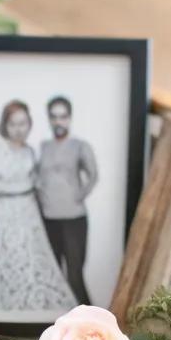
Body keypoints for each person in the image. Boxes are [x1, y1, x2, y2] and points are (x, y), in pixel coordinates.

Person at [0, 100, 74, 314]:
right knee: (12, 260)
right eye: (13, 124)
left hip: (30, 212)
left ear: (29, 124)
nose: (19, 129)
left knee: (35, 260)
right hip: (7, 213)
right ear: (5, 125)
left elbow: (37, 186)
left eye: (23, 123)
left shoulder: (30, 152)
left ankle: (36, 307)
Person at [37, 95, 98, 306]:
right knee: (53, 276)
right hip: (49, 219)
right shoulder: (44, 147)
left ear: (69, 118)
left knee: (74, 276)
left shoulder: (80, 146)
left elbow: (93, 175)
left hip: (74, 219)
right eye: (54, 117)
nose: (58, 121)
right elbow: (38, 177)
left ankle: (90, 319)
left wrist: (78, 195)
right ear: (49, 119)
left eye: (62, 116)